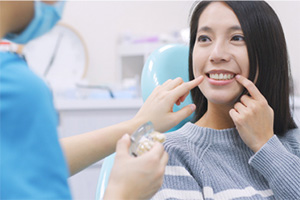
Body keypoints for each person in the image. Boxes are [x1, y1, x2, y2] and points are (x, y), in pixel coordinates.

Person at [0, 1, 204, 199]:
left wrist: (138, 125)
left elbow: (34, 160)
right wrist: (123, 193)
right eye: (204, 39)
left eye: (236, 38)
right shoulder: (17, 89)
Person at [151, 1, 300, 199]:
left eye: (237, 38)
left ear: (268, 53)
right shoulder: (170, 155)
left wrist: (266, 146)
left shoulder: (293, 142)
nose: (216, 55)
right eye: (204, 38)